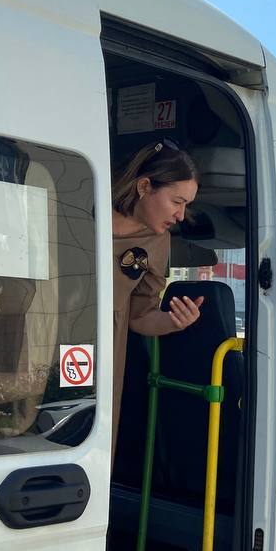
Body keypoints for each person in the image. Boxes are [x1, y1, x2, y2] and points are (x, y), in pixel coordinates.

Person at [110, 139, 205, 457]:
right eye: (177, 201)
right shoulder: (80, 208)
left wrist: (174, 321)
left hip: (97, 369)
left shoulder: (157, 243)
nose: (181, 215)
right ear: (145, 186)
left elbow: (139, 315)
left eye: (187, 205)